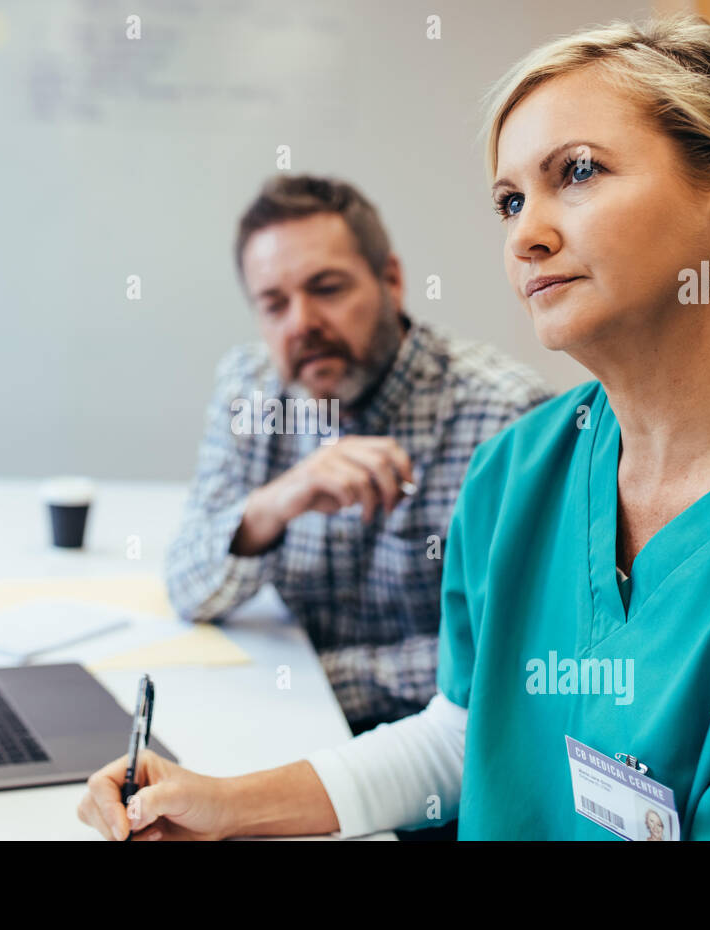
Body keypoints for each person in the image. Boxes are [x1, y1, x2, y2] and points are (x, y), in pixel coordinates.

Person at [79, 14, 710, 841]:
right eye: (509, 200)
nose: (528, 234)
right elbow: (464, 735)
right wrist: (227, 804)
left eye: (580, 172)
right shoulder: (519, 471)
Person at [164, 174, 551, 742]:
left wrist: (314, 679)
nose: (302, 324)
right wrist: (273, 506)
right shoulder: (250, 386)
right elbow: (187, 586)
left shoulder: (505, 416)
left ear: (391, 281)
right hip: (281, 724)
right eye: (274, 304)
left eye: (327, 288)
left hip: (436, 756)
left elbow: (515, 650)